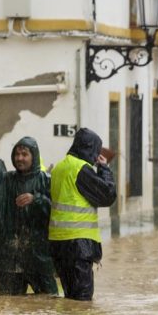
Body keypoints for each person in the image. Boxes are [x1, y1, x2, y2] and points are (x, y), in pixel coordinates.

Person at [0, 137, 57, 295]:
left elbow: (56, 210)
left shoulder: (45, 181)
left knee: (49, 302)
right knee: (8, 306)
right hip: (7, 260)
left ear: (33, 156)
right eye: (17, 154)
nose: (19, 158)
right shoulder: (3, 180)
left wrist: (36, 200)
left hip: (39, 258)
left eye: (24, 154)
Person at [49, 128, 116, 301]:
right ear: (90, 149)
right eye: (96, 152)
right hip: (78, 244)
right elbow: (107, 196)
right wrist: (104, 169)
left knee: (70, 298)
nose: (96, 157)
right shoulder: (80, 169)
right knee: (82, 301)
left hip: (58, 243)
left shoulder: (59, 168)